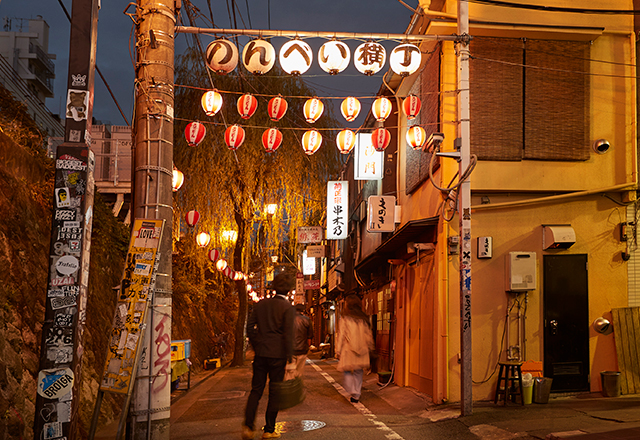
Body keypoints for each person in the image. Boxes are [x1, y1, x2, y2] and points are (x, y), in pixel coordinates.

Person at [242, 273, 295, 440]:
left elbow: (250, 326)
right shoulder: (287, 308)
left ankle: (249, 426)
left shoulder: (261, 305)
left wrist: (258, 345)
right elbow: (288, 334)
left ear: (273, 287)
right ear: (288, 290)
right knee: (274, 392)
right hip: (278, 355)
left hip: (261, 353)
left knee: (256, 390)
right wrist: (290, 357)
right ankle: (269, 429)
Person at [335, 294, 374, 404]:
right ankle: (356, 394)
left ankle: (351, 389)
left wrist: (338, 350)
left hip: (349, 349)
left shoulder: (345, 318)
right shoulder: (364, 318)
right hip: (362, 349)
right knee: (358, 371)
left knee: (347, 371)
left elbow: (341, 335)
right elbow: (368, 335)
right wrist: (371, 347)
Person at [289, 304, 313, 379]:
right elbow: (310, 336)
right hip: (302, 349)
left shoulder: (288, 320)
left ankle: (291, 386)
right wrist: (308, 347)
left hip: (290, 349)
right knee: (299, 371)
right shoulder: (307, 320)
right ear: (303, 311)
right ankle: (297, 386)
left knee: (290, 371)